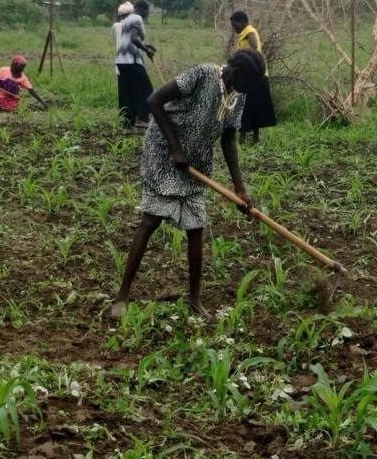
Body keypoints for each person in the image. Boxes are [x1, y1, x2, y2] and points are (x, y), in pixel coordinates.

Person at [111, 49, 267, 318]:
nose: (250, 88)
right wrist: (174, 147)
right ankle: (122, 296)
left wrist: (239, 188)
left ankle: (195, 301)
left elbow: (229, 140)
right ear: (237, 71)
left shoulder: (238, 97)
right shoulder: (203, 74)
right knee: (151, 220)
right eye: (250, 81)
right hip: (163, 152)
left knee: (196, 228)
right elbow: (154, 100)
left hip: (196, 163)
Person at [229, 11, 277, 144]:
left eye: (235, 25)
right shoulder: (244, 34)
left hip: (254, 77)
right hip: (252, 77)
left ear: (243, 22)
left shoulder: (250, 32)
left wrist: (241, 57)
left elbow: (254, 47)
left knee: (248, 107)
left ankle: (245, 138)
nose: (235, 28)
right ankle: (249, 138)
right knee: (250, 107)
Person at [116, 0, 157, 129]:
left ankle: (128, 122)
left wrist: (145, 46)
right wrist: (146, 50)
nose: (147, 14)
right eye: (148, 11)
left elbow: (131, 38)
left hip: (121, 60)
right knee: (147, 90)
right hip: (132, 60)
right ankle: (142, 118)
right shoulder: (138, 18)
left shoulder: (127, 19)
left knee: (129, 91)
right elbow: (134, 39)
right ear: (144, 10)